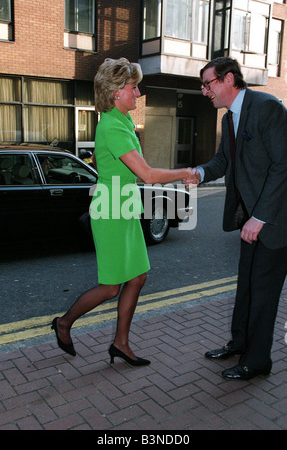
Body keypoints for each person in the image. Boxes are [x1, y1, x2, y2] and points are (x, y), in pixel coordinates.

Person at [52, 57, 194, 366]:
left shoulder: (123, 122)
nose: (139, 93)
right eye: (134, 87)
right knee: (110, 286)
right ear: (117, 92)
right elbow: (148, 175)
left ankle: (121, 343)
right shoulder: (113, 127)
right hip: (112, 210)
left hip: (125, 206)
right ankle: (63, 323)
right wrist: (184, 171)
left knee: (138, 276)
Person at [191, 56, 287, 380]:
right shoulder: (228, 118)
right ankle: (239, 344)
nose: (205, 92)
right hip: (251, 222)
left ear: (228, 80)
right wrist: (200, 172)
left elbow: (283, 165)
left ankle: (258, 361)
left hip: (274, 222)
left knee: (263, 292)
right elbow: (223, 161)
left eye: (208, 84)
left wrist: (259, 217)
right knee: (246, 286)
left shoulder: (267, 107)